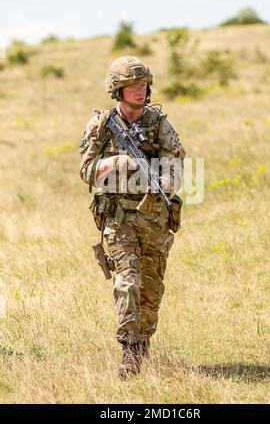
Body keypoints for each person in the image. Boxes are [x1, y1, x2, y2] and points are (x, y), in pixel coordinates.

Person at [79, 56, 186, 379]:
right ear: (118, 90)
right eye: (132, 87)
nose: (140, 92)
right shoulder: (101, 125)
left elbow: (176, 162)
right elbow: (86, 171)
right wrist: (115, 163)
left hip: (154, 216)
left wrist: (168, 181)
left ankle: (142, 345)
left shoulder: (158, 124)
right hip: (118, 217)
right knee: (127, 281)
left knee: (151, 290)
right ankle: (128, 351)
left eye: (143, 86)